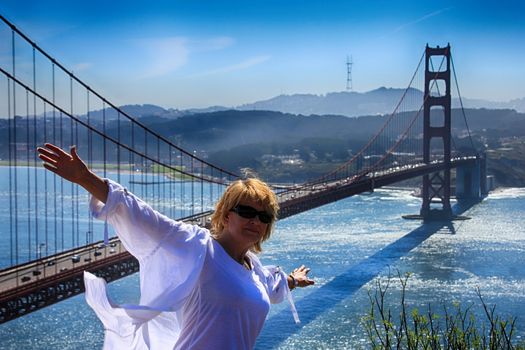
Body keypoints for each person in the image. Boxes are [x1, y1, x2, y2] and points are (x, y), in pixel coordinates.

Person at [37, 143, 314, 350]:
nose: (256, 221)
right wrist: (85, 178)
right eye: (247, 212)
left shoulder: (255, 270)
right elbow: (144, 217)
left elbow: (272, 285)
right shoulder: (198, 248)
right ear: (227, 214)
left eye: (264, 216)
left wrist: (293, 280)